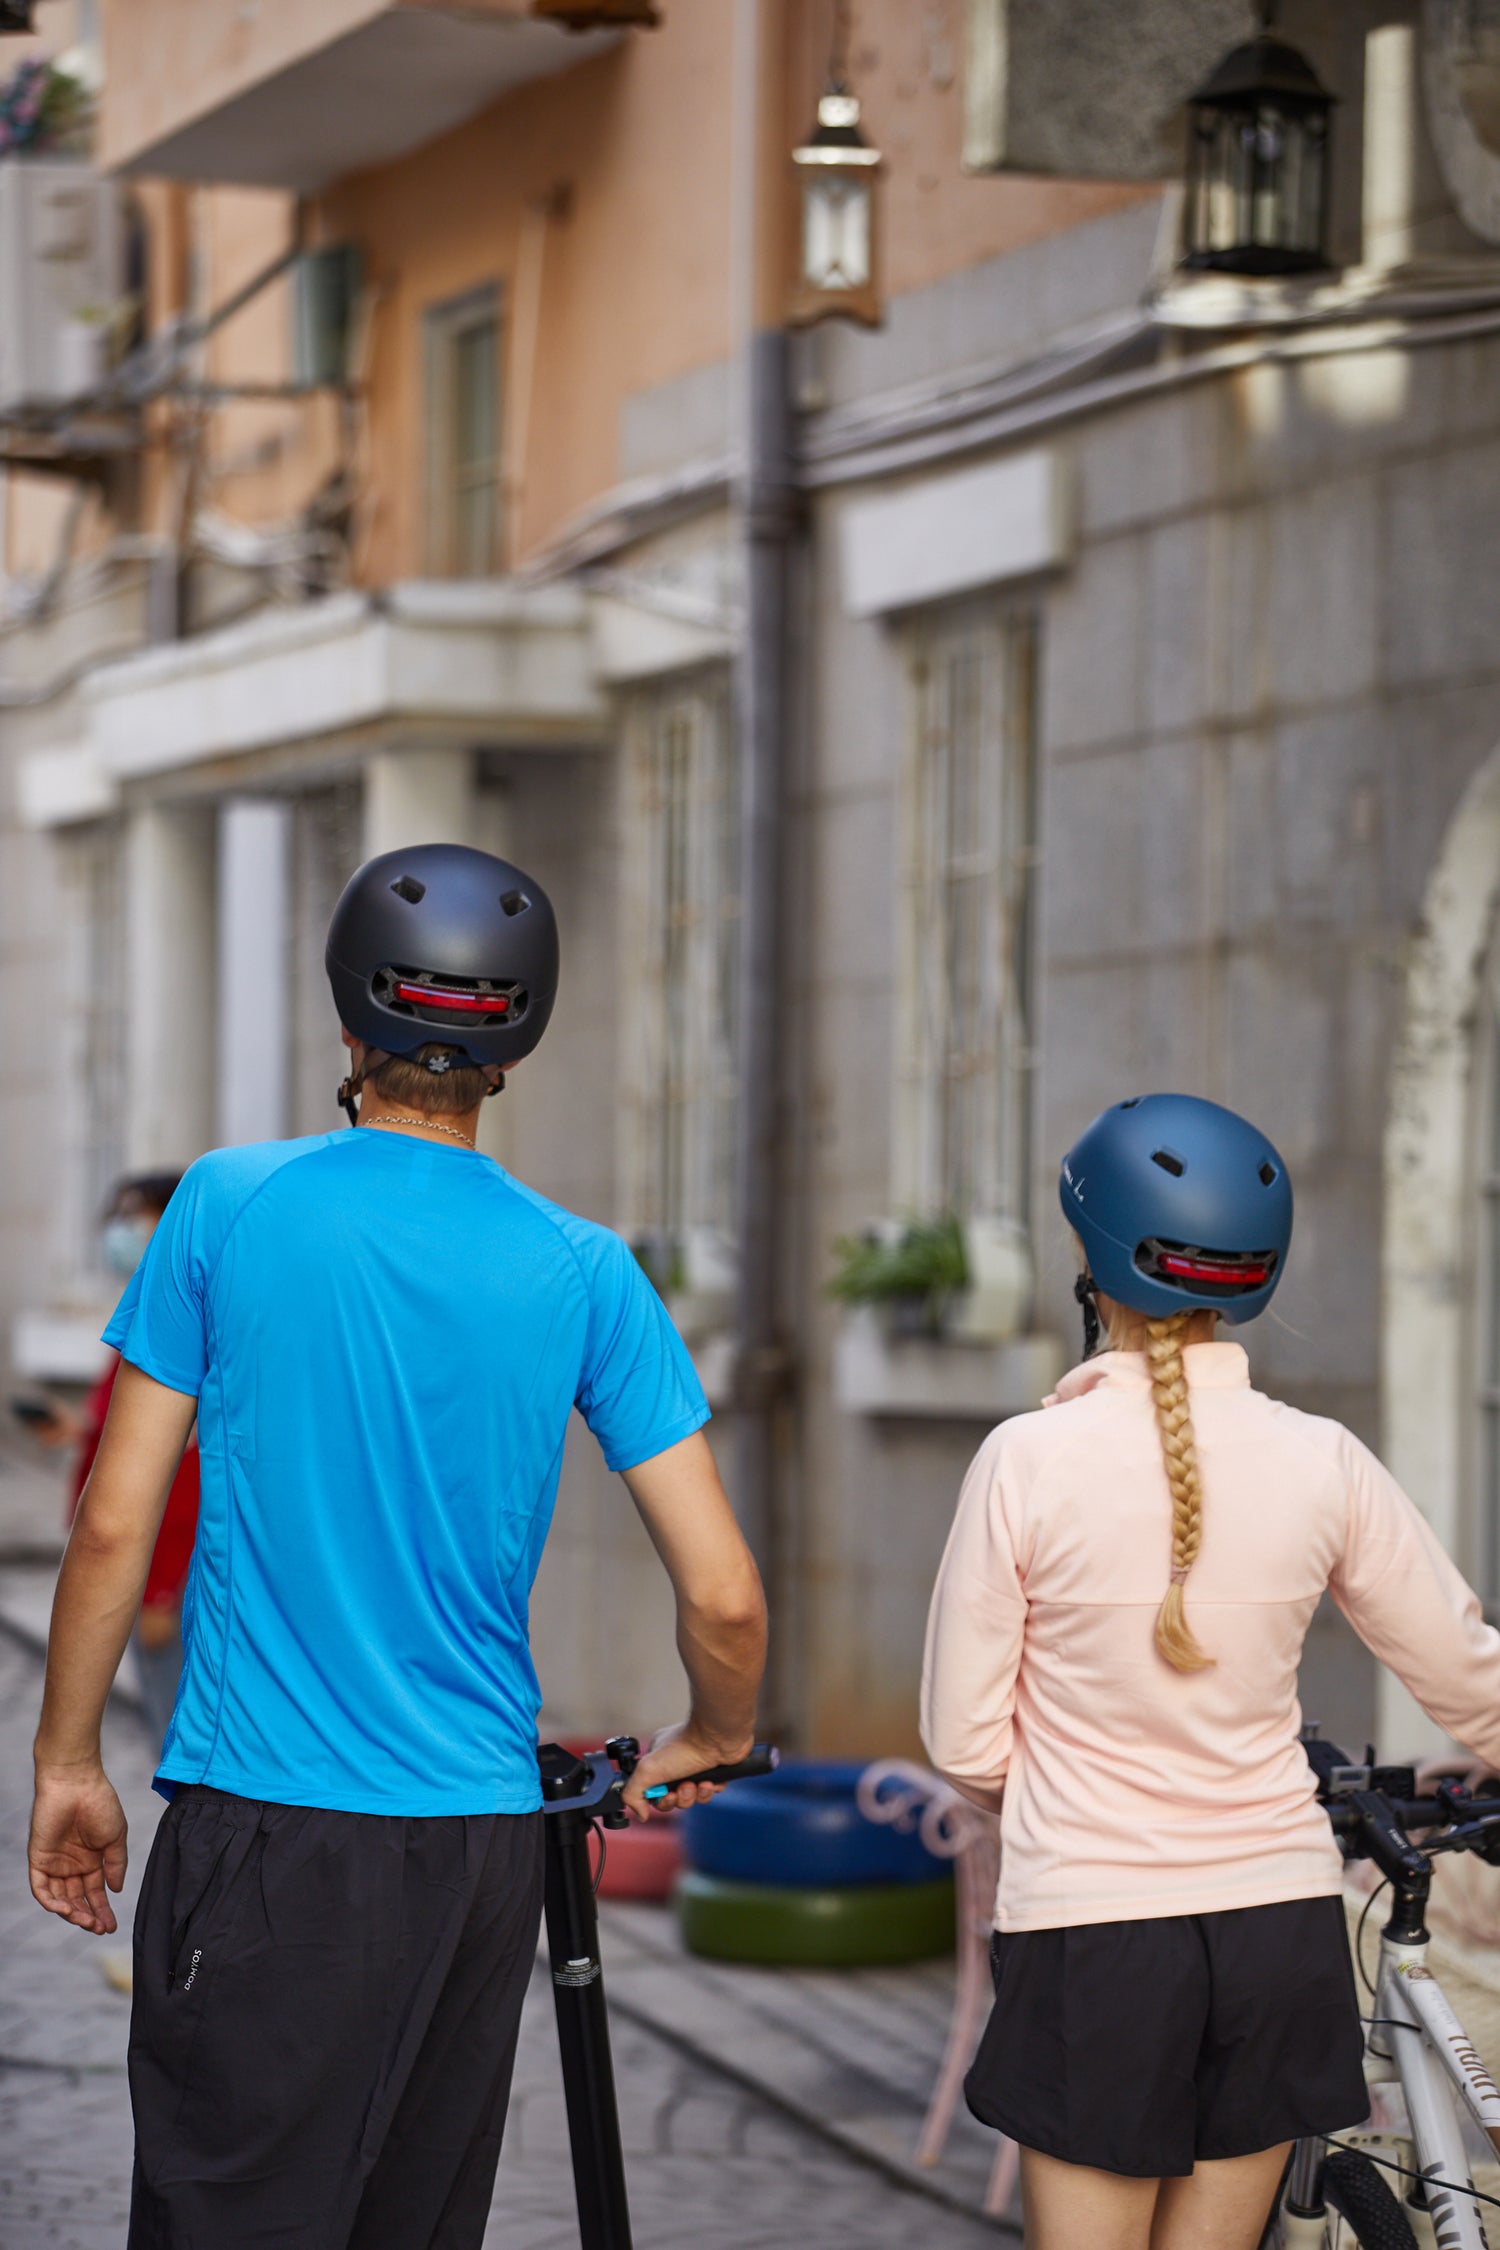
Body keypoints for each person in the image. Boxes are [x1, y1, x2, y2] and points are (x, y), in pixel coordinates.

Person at [27, 841, 768, 2250]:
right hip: (476, 1852)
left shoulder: (230, 1204)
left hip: (267, 1826)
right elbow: (725, 1594)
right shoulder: (587, 1267)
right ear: (518, 1044)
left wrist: (69, 1762)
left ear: (350, 1018)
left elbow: (117, 1516)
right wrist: (710, 1737)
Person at [921, 1092, 1500, 2250]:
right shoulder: (1325, 1460)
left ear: (1094, 1266)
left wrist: (1058, 1802)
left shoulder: (1024, 1462)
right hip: (1276, 1929)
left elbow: (964, 1744)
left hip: (1093, 1935)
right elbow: (1467, 1670)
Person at [60, 1173, 201, 1746]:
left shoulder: (181, 1316)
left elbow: (185, 1474)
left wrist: (161, 1589)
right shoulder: (151, 1309)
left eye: (135, 1216)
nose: (122, 1230)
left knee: (174, 1732)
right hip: (144, 1568)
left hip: (160, 1566)